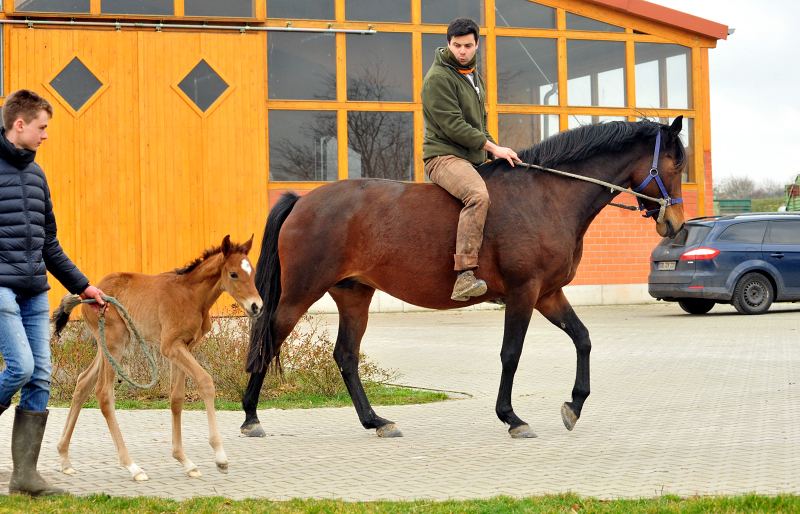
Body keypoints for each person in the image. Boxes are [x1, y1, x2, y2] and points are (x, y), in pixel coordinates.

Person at [0, 89, 105, 496]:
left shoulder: (36, 175)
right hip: (1, 289)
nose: (46, 135)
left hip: (32, 291)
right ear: (20, 124)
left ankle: (24, 477)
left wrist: (82, 286)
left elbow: (49, 245)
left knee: (40, 376)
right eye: (42, 128)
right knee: (22, 366)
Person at [421, 18, 519, 301]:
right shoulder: (438, 78)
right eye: (456, 45)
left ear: (477, 45)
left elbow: (479, 123)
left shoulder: (472, 74)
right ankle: (464, 276)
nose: (462, 51)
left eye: (467, 45)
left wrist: (496, 150)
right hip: (444, 157)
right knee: (478, 196)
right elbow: (454, 126)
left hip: (472, 157)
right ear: (448, 43)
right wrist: (493, 148)